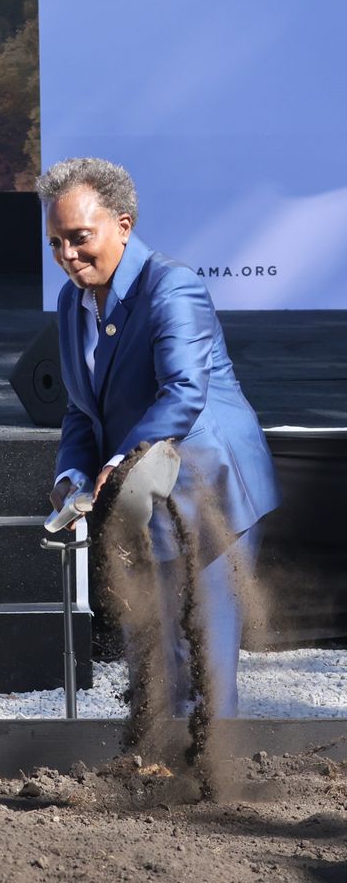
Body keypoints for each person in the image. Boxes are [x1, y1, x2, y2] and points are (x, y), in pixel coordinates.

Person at [40, 156, 279, 717]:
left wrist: (119, 462)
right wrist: (71, 475)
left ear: (123, 225)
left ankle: (212, 789)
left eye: (78, 238)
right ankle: (153, 769)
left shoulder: (174, 287)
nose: (67, 257)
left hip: (209, 488)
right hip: (138, 491)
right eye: (55, 243)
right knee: (151, 642)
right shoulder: (71, 301)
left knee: (202, 652)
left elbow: (182, 392)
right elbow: (82, 409)